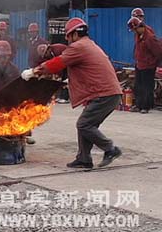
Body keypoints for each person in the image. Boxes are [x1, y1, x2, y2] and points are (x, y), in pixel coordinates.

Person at [22, 18, 122, 169]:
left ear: (75, 34)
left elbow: (58, 63)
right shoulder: (89, 45)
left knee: (84, 124)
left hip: (104, 94)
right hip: (106, 93)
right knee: (87, 124)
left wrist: (34, 71)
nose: (68, 40)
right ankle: (84, 158)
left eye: (68, 36)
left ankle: (111, 149)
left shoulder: (79, 47)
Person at [128, 17, 162, 114]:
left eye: (135, 30)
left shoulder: (150, 37)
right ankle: (139, 105)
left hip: (148, 66)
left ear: (139, 27)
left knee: (147, 87)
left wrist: (153, 63)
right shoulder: (139, 35)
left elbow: (158, 51)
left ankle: (146, 106)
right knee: (138, 85)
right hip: (139, 64)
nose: (134, 32)